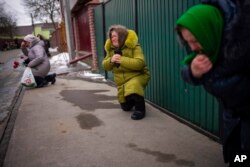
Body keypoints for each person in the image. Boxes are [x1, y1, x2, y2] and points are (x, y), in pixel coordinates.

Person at [175, 1, 250, 166]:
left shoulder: (241, 44)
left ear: (208, 31)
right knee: (236, 156)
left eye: (195, 40)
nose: (193, 47)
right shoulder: (206, 43)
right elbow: (186, 68)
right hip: (231, 117)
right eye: (188, 42)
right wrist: (193, 71)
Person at [102, 25, 150, 120]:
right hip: (121, 82)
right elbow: (105, 65)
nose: (113, 39)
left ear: (122, 36)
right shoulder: (111, 50)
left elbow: (140, 63)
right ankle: (131, 99)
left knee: (134, 86)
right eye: (111, 37)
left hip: (137, 76)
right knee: (126, 107)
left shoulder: (134, 47)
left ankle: (140, 110)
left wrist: (122, 60)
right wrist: (111, 60)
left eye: (115, 36)